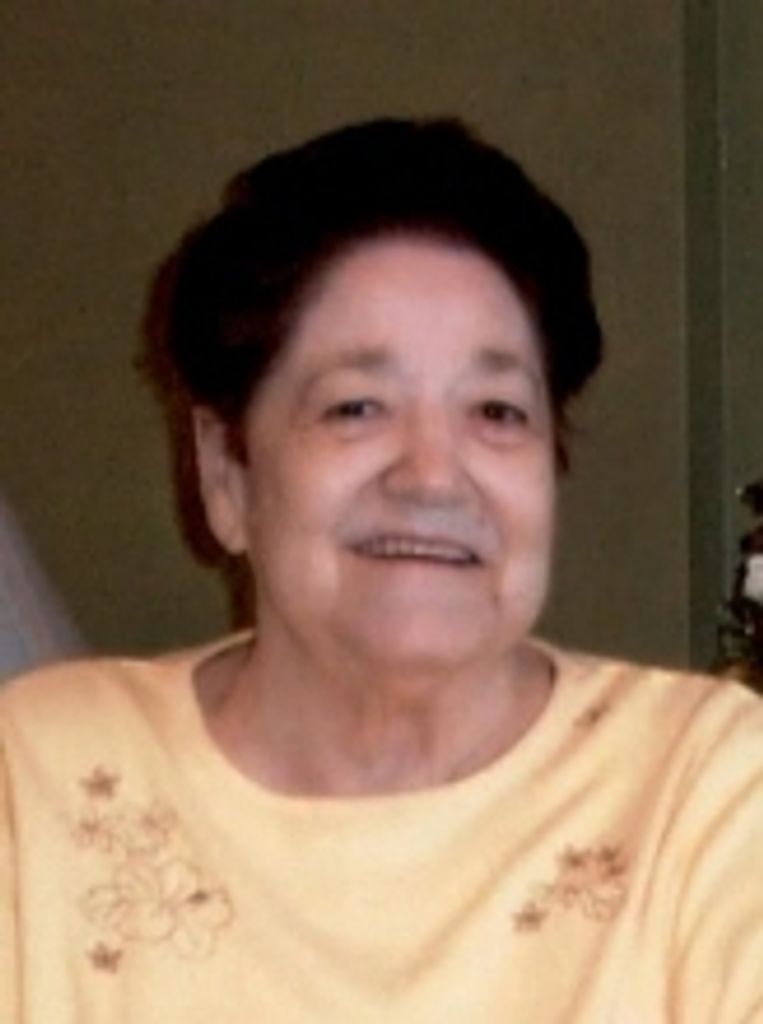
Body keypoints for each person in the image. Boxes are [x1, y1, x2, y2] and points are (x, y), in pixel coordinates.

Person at [1, 118, 761, 1023]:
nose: (432, 474)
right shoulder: (37, 778)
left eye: (497, 411)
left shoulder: (704, 789)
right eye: (356, 407)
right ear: (224, 471)